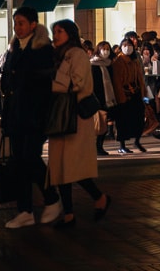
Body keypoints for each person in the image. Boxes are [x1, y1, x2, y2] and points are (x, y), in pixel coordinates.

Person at [0, 7, 62, 228]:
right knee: (19, 161)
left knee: (30, 158)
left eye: (22, 23)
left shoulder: (42, 49)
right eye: (16, 23)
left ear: (33, 25)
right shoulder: (14, 47)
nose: (17, 27)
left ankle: (52, 198)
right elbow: (7, 80)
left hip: (35, 114)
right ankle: (25, 209)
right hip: (16, 114)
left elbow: (41, 85)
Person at [46, 20, 111, 227]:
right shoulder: (57, 55)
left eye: (59, 31)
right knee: (60, 167)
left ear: (70, 33)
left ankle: (99, 197)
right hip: (59, 115)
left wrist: (52, 83)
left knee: (73, 166)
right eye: (54, 31)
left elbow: (79, 83)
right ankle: (69, 214)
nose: (55, 35)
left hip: (75, 116)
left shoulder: (78, 54)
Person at [110, 38, 147, 153]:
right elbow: (116, 81)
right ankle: (122, 145)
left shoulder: (135, 60)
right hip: (124, 95)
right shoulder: (118, 61)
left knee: (139, 118)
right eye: (124, 45)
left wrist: (143, 93)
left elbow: (140, 78)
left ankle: (137, 140)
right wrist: (121, 97)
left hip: (136, 93)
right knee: (123, 121)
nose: (127, 47)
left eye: (129, 45)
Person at [89, 42, 117, 156]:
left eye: (107, 49)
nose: (105, 51)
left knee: (104, 123)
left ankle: (99, 146)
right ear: (98, 50)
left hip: (108, 97)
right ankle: (94, 146)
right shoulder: (93, 64)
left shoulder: (109, 64)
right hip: (98, 97)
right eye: (103, 48)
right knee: (97, 123)